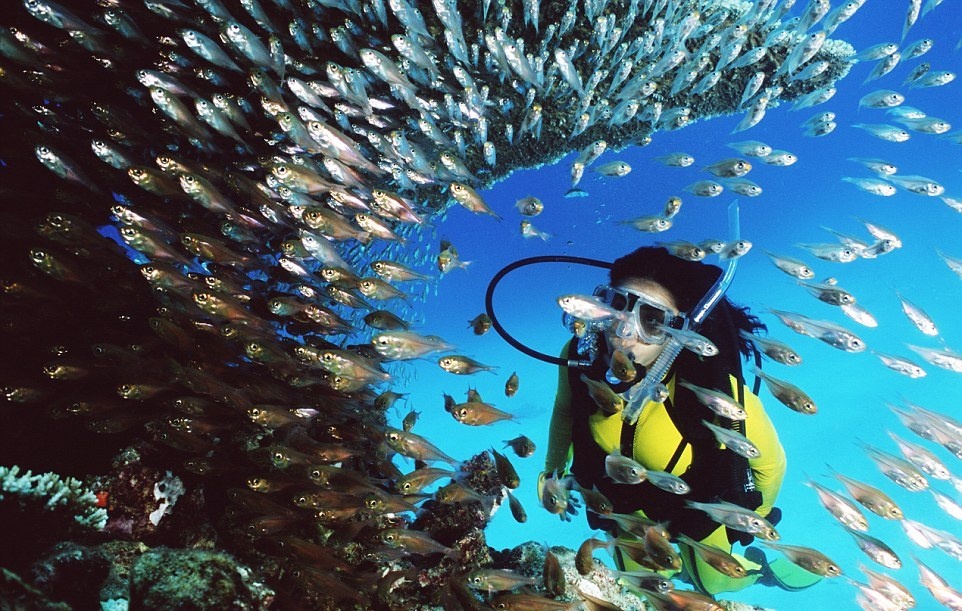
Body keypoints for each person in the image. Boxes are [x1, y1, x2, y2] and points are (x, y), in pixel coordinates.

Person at [540, 246, 821, 595]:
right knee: (646, 588)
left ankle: (759, 570)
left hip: (696, 511)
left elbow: (771, 463)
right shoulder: (577, 358)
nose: (624, 330)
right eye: (617, 304)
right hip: (622, 506)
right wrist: (551, 474)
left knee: (714, 580)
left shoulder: (715, 391)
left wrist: (751, 520)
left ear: (676, 331)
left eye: (651, 320)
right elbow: (565, 411)